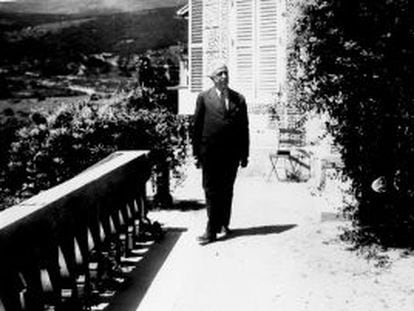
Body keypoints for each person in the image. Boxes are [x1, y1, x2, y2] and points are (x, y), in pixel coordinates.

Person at [192, 62, 250, 245]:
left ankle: (223, 223)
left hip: (231, 154)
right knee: (211, 190)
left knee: (227, 190)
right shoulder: (204, 98)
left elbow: (244, 128)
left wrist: (244, 154)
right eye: (220, 74)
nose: (224, 77)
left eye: (226, 73)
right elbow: (197, 127)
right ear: (213, 78)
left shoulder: (238, 99)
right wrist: (196, 153)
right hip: (210, 153)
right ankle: (211, 230)